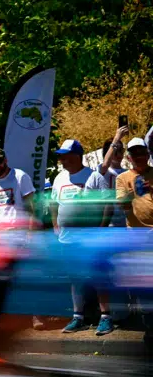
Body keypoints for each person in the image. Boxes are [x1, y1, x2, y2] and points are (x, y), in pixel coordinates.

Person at [50, 139, 115, 335]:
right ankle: (78, 317)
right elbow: (54, 204)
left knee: (99, 276)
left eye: (65, 155)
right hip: (68, 239)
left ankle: (106, 317)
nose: (62, 159)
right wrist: (55, 225)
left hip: (91, 238)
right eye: (60, 156)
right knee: (75, 278)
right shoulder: (59, 178)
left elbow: (108, 204)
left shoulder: (94, 176)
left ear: (77, 155)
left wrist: (101, 229)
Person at [0, 147, 36, 227]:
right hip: (0, 233)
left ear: (5, 160)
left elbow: (31, 206)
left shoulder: (20, 176)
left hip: (18, 232)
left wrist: (31, 232)